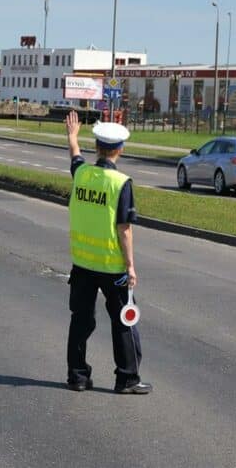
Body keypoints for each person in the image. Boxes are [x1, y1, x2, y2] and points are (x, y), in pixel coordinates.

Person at [64, 110, 152, 395]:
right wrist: (131, 266)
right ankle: (126, 378)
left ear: (97, 147)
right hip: (112, 267)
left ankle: (77, 376)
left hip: (82, 263)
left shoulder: (82, 175)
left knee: (81, 320)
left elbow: (75, 157)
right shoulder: (121, 183)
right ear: (121, 149)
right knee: (124, 320)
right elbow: (124, 229)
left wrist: (72, 137)